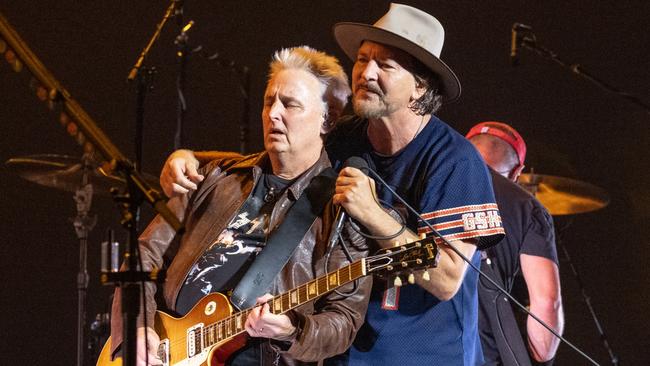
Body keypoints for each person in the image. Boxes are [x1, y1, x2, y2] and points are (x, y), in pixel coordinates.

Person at [159, 4, 505, 365]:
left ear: (419, 86)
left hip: (422, 356)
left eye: (385, 65)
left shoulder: (454, 160)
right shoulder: (345, 138)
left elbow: (448, 279)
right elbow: (271, 159)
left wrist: (375, 216)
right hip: (342, 351)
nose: (366, 73)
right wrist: (189, 157)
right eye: (362, 59)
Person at [110, 46, 372, 366]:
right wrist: (136, 328)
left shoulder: (340, 211)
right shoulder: (216, 177)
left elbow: (343, 320)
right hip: (166, 349)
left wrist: (291, 330)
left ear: (327, 119)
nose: (273, 113)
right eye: (268, 101)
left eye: (290, 104)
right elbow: (144, 255)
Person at [466, 121, 564, 365]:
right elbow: (547, 303)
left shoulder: (429, 183)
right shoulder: (528, 209)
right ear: (517, 172)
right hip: (478, 355)